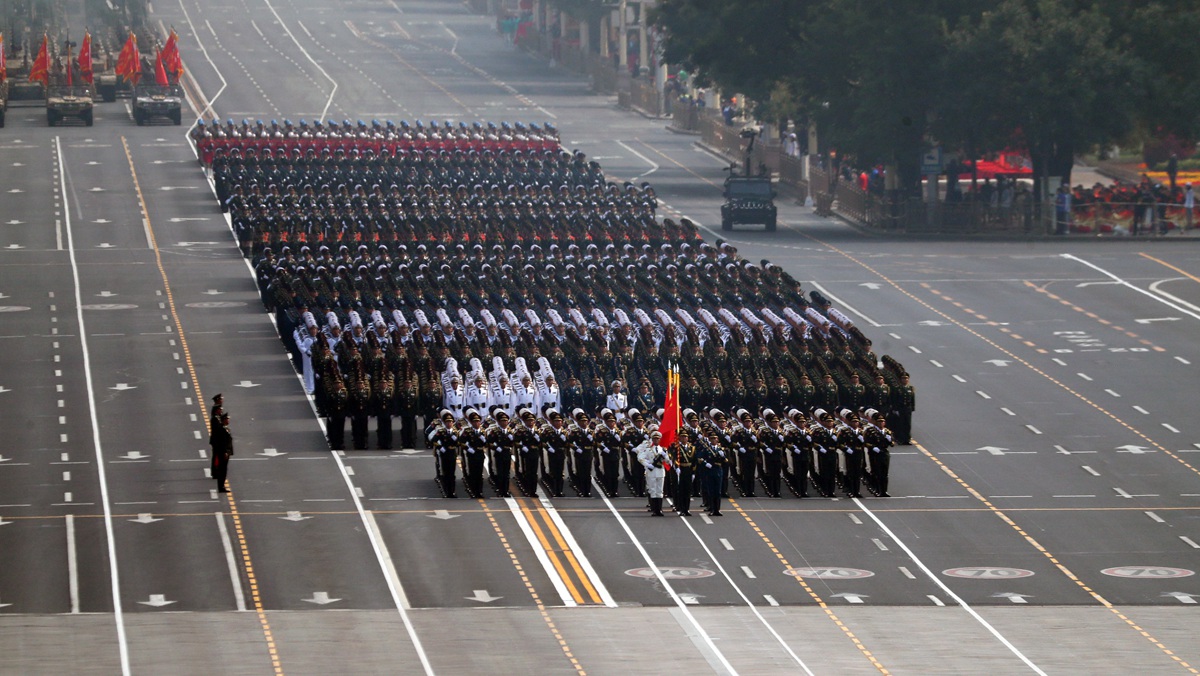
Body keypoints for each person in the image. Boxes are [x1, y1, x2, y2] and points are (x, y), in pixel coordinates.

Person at [637, 430, 669, 516]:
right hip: (651, 472)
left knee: (660, 491)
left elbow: (668, 461)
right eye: (654, 439)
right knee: (653, 490)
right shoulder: (648, 450)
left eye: (657, 439)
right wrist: (647, 464)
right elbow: (640, 458)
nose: (656, 441)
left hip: (660, 472)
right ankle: (655, 510)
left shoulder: (663, 450)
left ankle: (660, 510)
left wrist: (665, 456)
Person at [672, 429, 697, 516]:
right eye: (682, 437)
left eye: (685, 437)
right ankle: (682, 509)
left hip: (689, 470)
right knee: (681, 491)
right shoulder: (677, 448)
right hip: (681, 469)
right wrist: (676, 467)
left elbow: (694, 461)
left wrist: (693, 472)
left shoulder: (692, 448)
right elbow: (674, 458)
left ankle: (687, 509)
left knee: (688, 491)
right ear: (679, 438)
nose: (684, 438)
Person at [210, 411, 233, 493]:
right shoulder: (222, 429)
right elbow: (222, 442)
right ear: (223, 420)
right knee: (222, 470)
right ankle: (221, 487)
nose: (228, 421)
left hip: (226, 452)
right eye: (227, 419)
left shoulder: (225, 429)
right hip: (223, 453)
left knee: (224, 470)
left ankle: (222, 486)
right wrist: (225, 452)